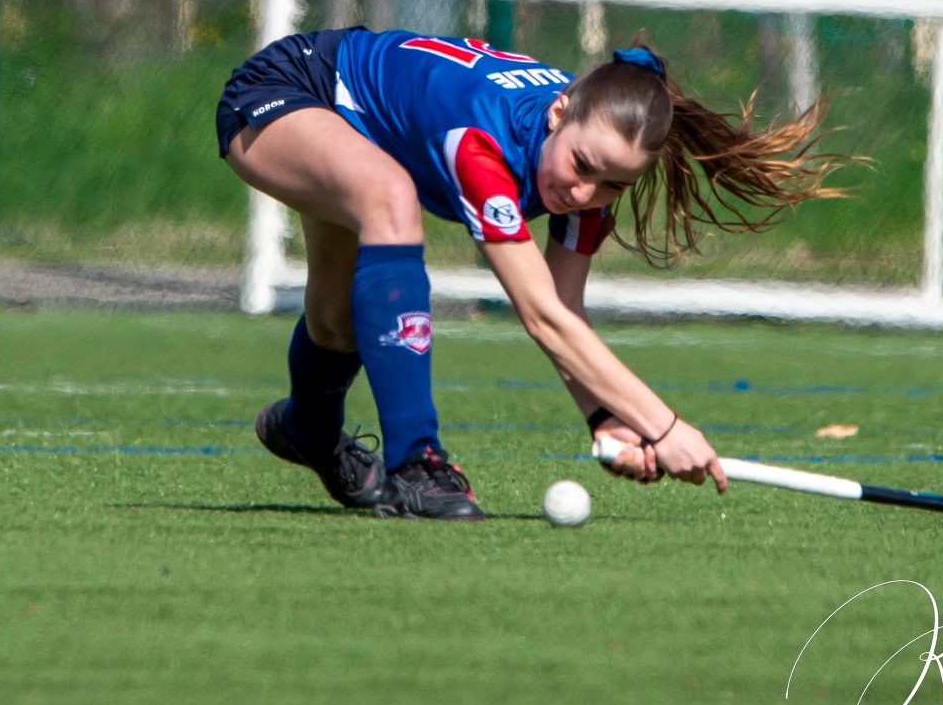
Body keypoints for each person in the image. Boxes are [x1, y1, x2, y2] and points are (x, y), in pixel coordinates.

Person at [217, 26, 843, 519]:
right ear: (558, 112)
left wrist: (605, 419)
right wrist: (666, 425)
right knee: (391, 196)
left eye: (612, 184)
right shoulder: (480, 141)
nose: (582, 191)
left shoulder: (587, 171)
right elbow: (539, 317)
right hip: (293, 88)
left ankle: (307, 429)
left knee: (337, 321)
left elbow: (563, 310)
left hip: (364, 129)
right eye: (582, 165)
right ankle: (417, 463)